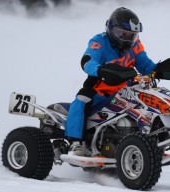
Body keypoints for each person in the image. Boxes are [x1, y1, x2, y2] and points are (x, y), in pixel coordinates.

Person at [65, 7, 158, 156]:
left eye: (132, 35)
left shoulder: (135, 45)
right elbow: (88, 60)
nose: (128, 39)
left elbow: (144, 63)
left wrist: (157, 69)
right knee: (81, 100)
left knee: (148, 105)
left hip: (125, 90)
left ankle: (148, 140)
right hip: (100, 88)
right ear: (111, 29)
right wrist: (100, 70)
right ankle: (76, 143)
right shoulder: (100, 42)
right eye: (123, 34)